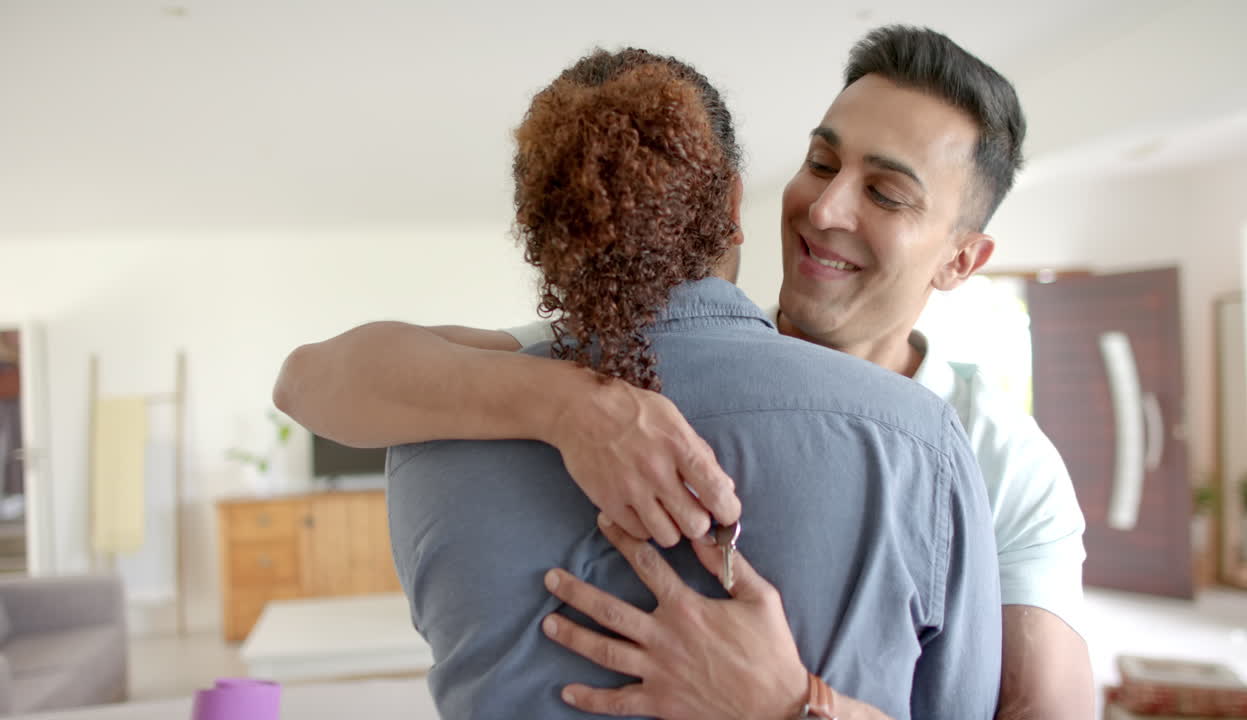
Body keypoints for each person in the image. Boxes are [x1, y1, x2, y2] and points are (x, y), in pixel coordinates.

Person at [275, 25, 1093, 719]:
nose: (826, 208)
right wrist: (564, 407)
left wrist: (793, 702)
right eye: (820, 160)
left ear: (962, 258)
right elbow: (311, 379)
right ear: (737, 199)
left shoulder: (996, 464)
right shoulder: (584, 376)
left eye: (886, 193)